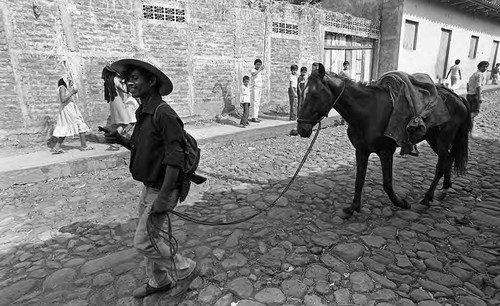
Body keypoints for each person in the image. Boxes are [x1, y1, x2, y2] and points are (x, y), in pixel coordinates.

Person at [105, 59, 200, 299]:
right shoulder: (143, 111)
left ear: (151, 81)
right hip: (149, 187)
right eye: (128, 79)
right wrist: (121, 140)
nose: (129, 82)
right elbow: (145, 147)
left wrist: (165, 196)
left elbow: (175, 158)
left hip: (162, 189)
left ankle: (185, 268)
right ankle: (159, 281)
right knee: (152, 238)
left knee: (144, 242)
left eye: (135, 78)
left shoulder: (164, 113)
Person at [51, 75, 93, 153]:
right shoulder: (62, 88)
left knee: (66, 128)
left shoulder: (63, 88)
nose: (71, 83)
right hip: (68, 110)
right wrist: (72, 92)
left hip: (68, 109)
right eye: (70, 81)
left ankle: (56, 147)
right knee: (80, 124)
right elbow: (63, 99)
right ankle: (84, 146)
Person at [102, 65, 134, 150]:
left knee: (118, 123)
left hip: (114, 102)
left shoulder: (108, 81)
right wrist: (125, 81)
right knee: (125, 122)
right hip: (118, 102)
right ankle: (115, 142)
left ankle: (118, 139)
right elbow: (125, 89)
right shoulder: (115, 79)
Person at [467, 60, 489, 137]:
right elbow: (478, 86)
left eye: (487, 66)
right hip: (474, 95)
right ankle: (468, 126)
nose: (485, 68)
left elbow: (467, 84)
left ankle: (469, 130)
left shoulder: (474, 74)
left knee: (470, 112)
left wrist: (469, 92)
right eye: (484, 66)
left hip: (470, 94)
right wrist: (479, 97)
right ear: (479, 67)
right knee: (474, 112)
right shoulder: (480, 74)